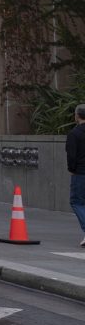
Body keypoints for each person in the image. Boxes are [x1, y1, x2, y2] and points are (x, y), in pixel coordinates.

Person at [69, 104, 85, 246]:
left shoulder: (74, 133)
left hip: (80, 172)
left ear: (77, 116)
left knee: (77, 201)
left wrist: (71, 169)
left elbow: (71, 155)